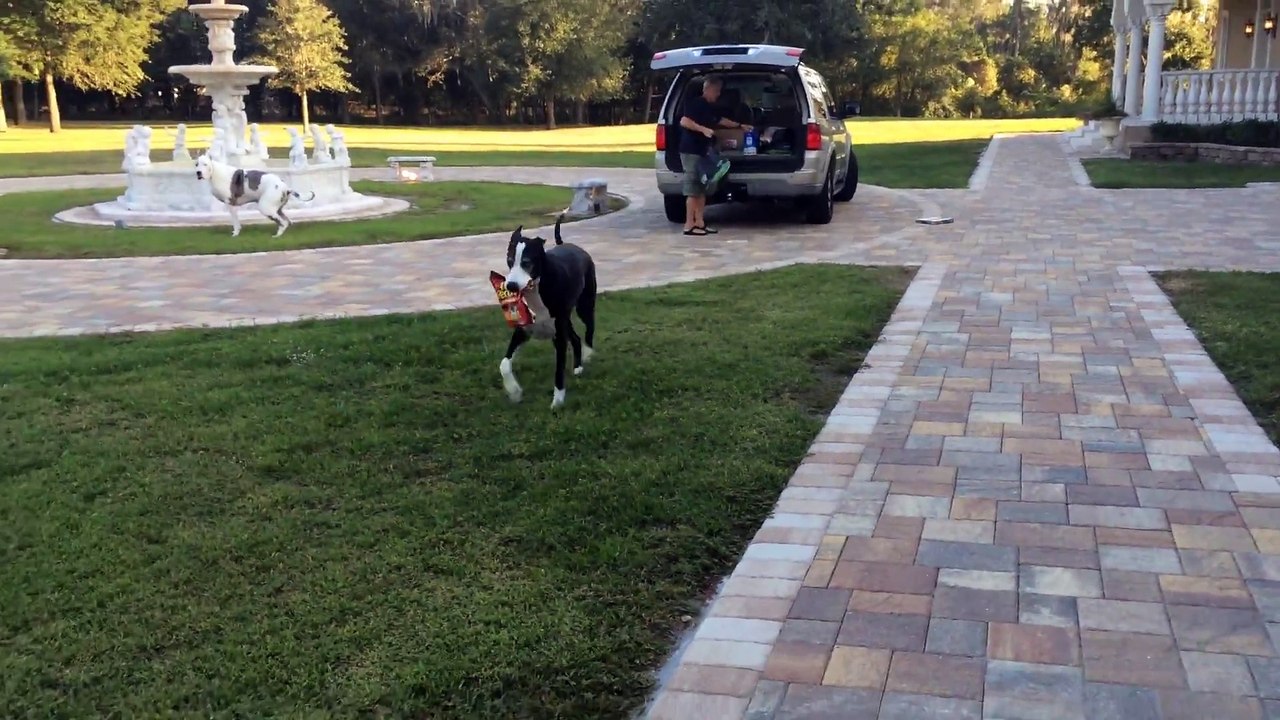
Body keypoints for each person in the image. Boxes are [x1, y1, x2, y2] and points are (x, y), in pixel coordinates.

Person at [678, 76, 752, 236]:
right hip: (691, 151)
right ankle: (688, 225)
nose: (718, 94)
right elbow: (684, 121)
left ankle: (700, 223)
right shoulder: (696, 103)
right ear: (708, 89)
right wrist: (703, 129)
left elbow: (721, 120)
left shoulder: (709, 106)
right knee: (692, 189)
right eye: (717, 91)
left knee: (702, 188)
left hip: (703, 151)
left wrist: (740, 126)